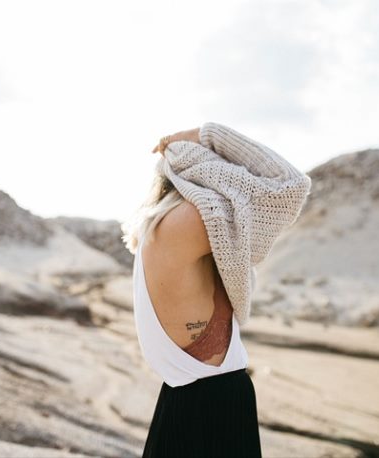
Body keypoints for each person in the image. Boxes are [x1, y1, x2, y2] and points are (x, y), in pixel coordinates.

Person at [122, 122, 312, 458]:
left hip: (188, 401)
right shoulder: (186, 222)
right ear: (201, 172)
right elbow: (290, 184)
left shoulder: (162, 227)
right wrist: (207, 135)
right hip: (210, 407)